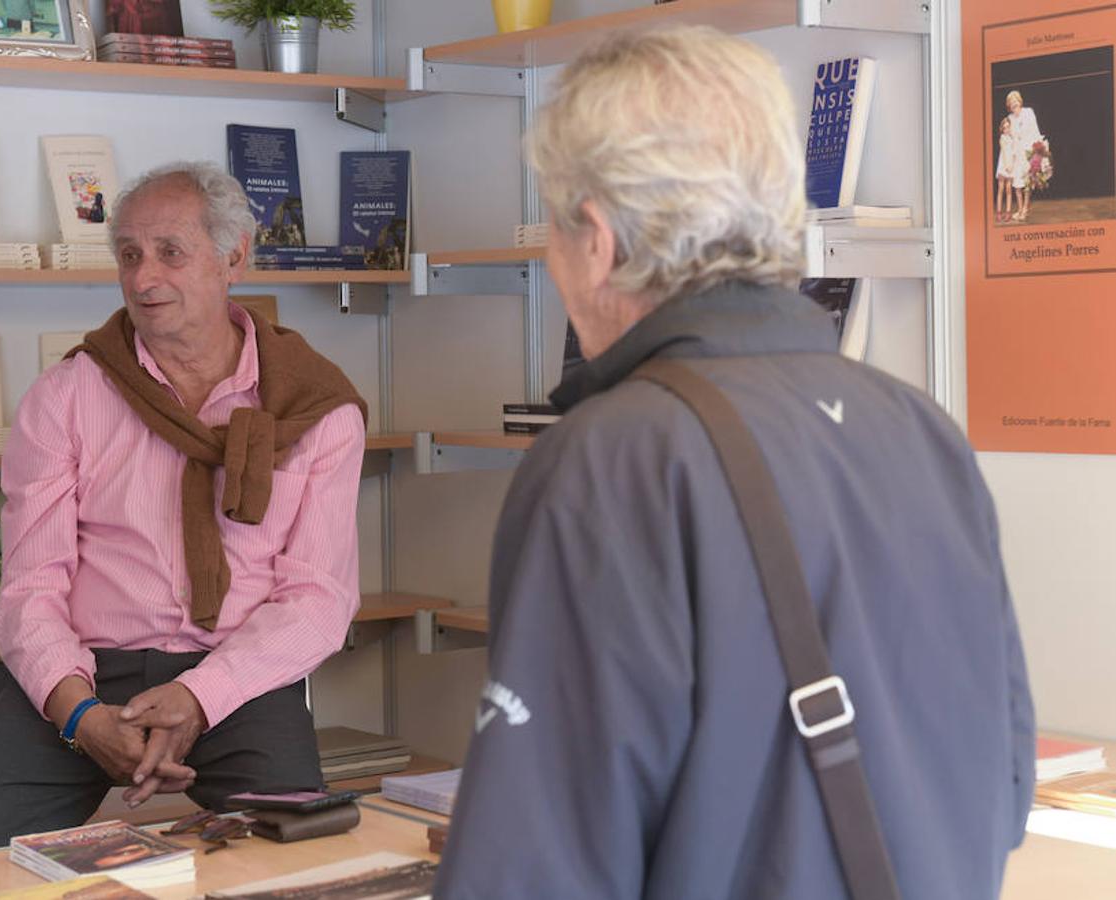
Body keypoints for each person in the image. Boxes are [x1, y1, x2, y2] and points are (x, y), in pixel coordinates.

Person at [435, 28, 1035, 900]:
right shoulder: (918, 428)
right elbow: (1003, 788)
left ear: (597, 240)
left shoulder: (613, 457)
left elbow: (534, 864)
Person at [0, 161, 368, 856]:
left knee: (300, 856)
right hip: (85, 674)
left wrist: (201, 694)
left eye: (170, 252)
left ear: (233, 259)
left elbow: (318, 598)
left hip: (236, 675)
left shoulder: (316, 408)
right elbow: (30, 588)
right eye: (128, 254)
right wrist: (79, 716)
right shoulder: (65, 395)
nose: (143, 277)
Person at [1007, 89, 1045, 222]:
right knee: (1017, 184)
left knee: (1027, 182)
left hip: (1028, 151)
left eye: (1015, 101)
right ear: (1009, 106)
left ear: (1020, 101)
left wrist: (1038, 150)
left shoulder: (1029, 112)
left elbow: (1035, 130)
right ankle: (1020, 208)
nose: (1014, 104)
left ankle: (1025, 210)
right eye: (1011, 103)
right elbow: (1010, 138)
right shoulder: (1010, 119)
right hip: (1017, 154)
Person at [996, 115, 1015, 223]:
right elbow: (1004, 152)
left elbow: (1013, 152)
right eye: (1005, 128)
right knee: (1001, 189)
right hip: (1004, 164)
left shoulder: (1011, 138)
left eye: (1008, 127)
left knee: (1008, 190)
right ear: (1002, 129)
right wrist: (1007, 165)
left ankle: (1008, 212)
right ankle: (999, 212)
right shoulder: (1002, 138)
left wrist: (1011, 165)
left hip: (1011, 165)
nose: (1006, 129)